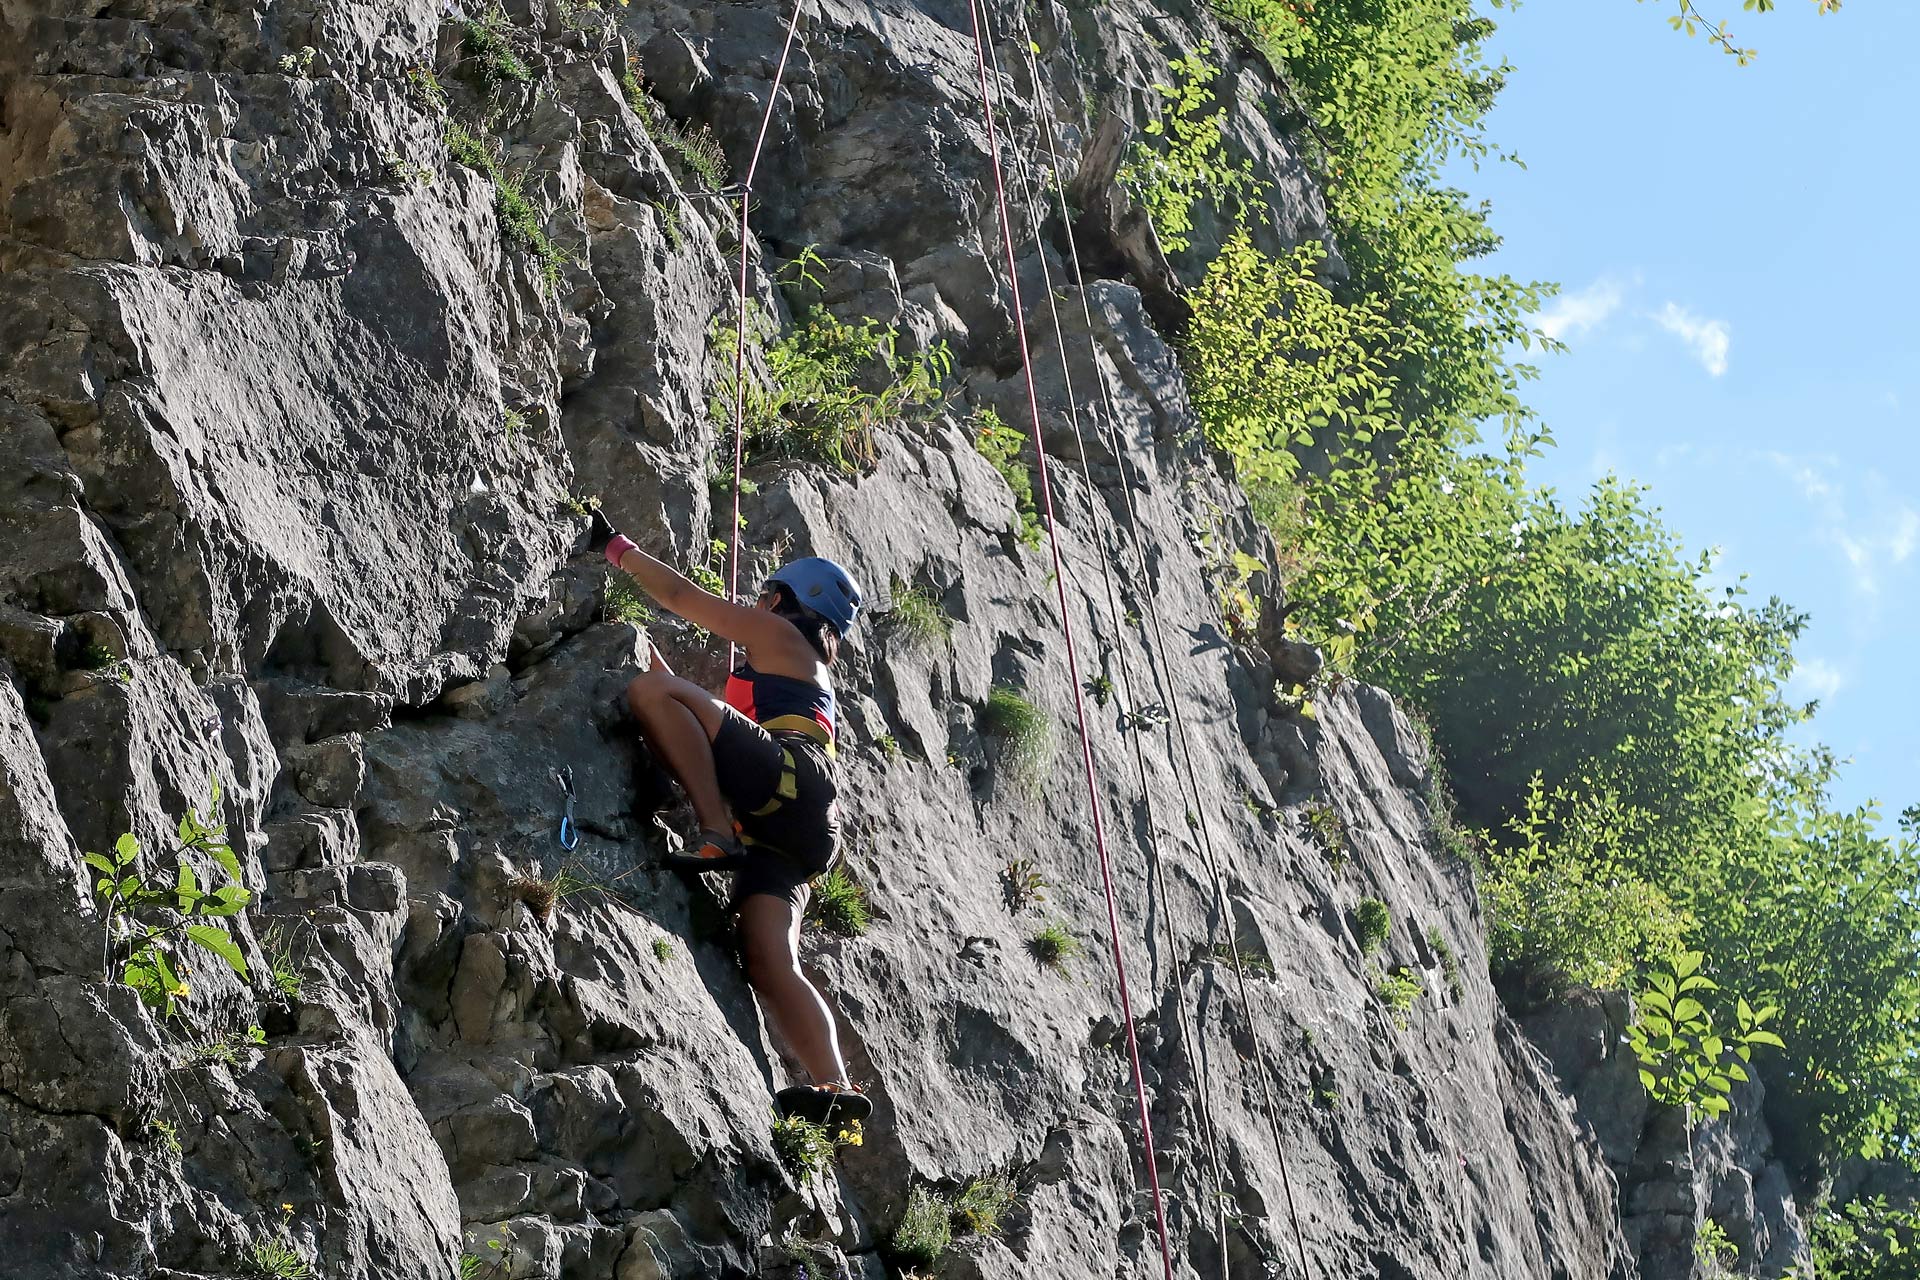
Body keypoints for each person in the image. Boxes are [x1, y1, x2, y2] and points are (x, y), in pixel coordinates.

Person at [589, 510, 873, 1125]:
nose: (757, 600)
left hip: (787, 783)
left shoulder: (781, 636)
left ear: (783, 599)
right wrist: (644, 652)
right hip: (799, 825)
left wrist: (615, 547)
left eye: (766, 594)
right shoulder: (788, 668)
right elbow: (699, 718)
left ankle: (716, 831)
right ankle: (835, 1090)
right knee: (770, 962)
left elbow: (681, 597)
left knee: (645, 694)